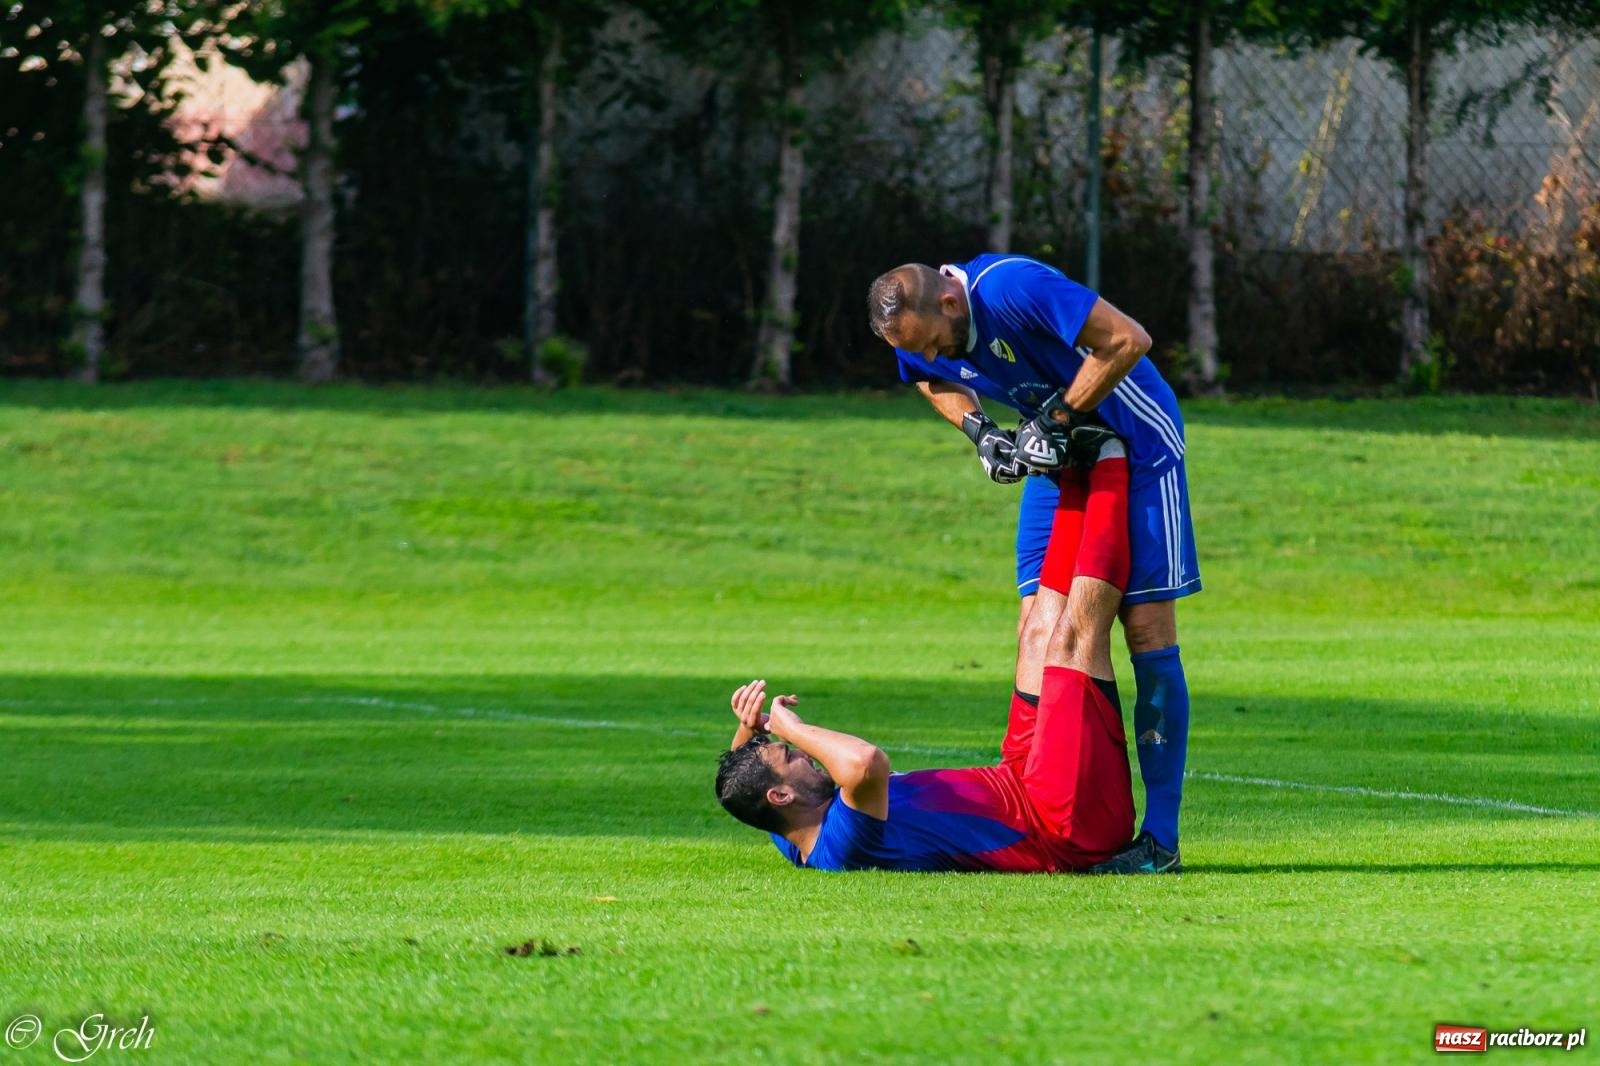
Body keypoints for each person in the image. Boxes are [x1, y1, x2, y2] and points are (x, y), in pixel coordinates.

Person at [865, 255, 1197, 874]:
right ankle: (1046, 799)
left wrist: (1058, 417)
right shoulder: (925, 336)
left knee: (1147, 631)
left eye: (933, 342)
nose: (932, 357)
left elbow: (1129, 340)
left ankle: (1160, 838)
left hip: (1141, 447)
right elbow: (927, 377)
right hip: (1058, 456)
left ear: (949, 303)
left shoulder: (1012, 288)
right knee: (1037, 627)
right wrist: (981, 432)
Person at [715, 448, 1137, 873]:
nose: (804, 755)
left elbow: (740, 794)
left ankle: (1074, 472)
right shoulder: (841, 845)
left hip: (1017, 777)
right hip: (1059, 828)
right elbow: (867, 763)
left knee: (1037, 634)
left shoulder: (789, 825)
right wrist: (791, 729)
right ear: (782, 796)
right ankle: (1110, 462)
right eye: (791, 757)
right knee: (1070, 640)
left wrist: (748, 730)